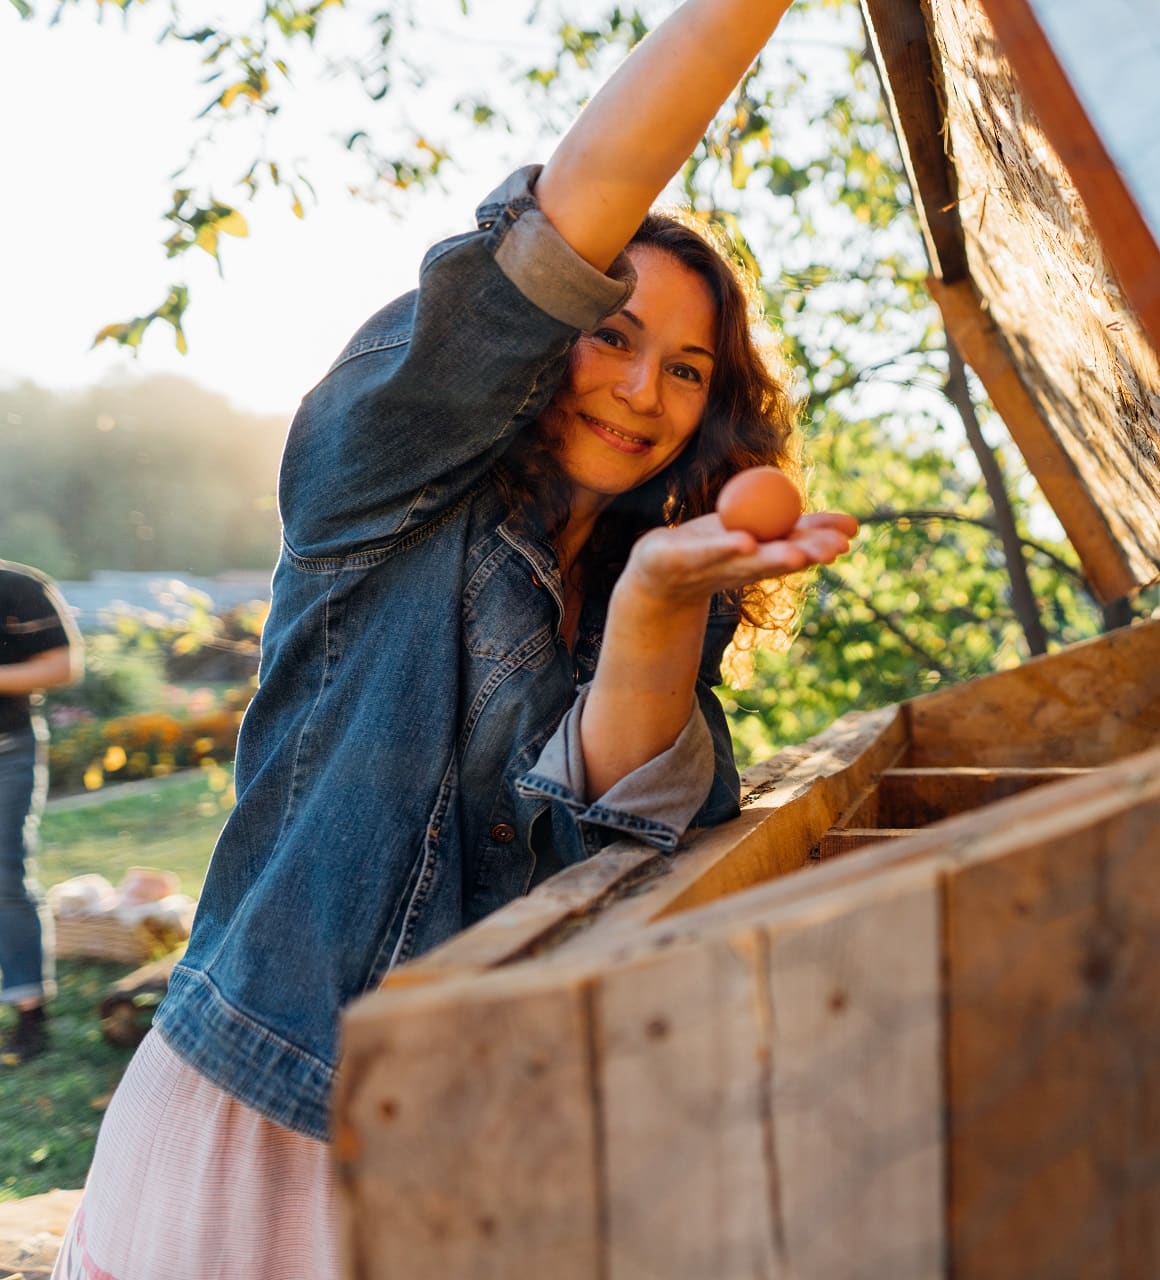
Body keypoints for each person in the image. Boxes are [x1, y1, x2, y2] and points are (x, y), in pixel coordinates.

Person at [53, 0, 853, 1274]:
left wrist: (655, 600)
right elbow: (555, 235)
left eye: (689, 368)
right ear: (539, 347)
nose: (643, 389)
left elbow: (605, 827)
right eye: (612, 335)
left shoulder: (649, 575)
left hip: (465, 1145)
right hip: (266, 1113)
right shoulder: (384, 479)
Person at [0, 559, 82, 1066]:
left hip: (6, 752)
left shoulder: (17, 587)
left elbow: (64, 665)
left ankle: (30, 1015)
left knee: (4, 878)